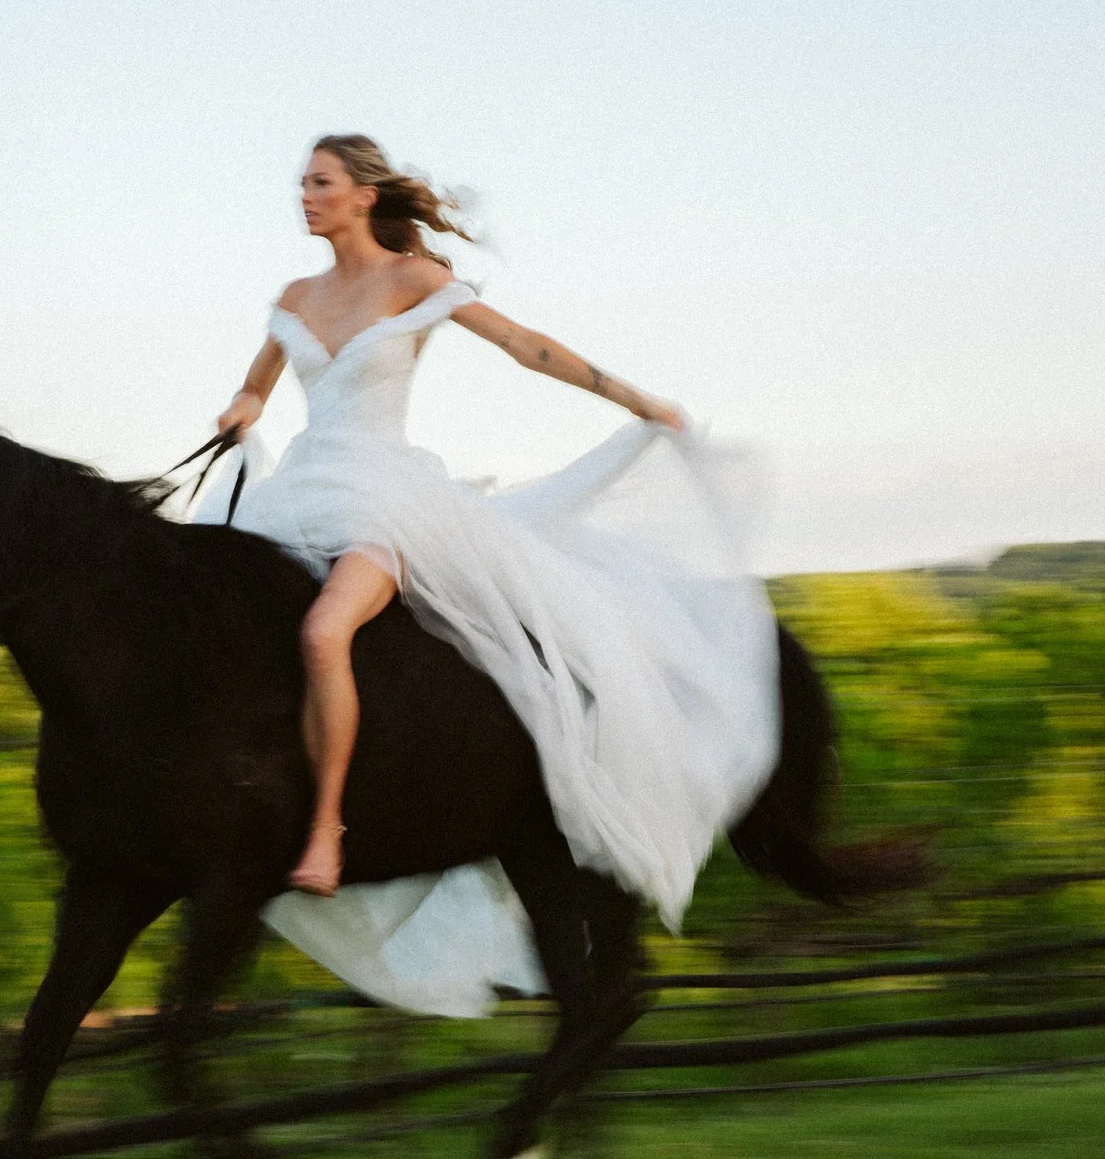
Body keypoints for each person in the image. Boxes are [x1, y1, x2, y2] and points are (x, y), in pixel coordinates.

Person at [206, 137, 781, 1012]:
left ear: (363, 196)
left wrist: (638, 402)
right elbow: (259, 383)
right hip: (300, 489)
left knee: (325, 630)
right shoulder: (295, 297)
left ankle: (325, 828)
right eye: (303, 184)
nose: (305, 196)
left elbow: (527, 348)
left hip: (385, 503)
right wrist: (243, 408)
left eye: (320, 184)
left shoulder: (413, 281)